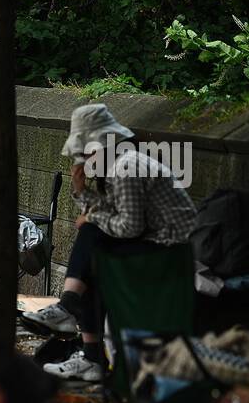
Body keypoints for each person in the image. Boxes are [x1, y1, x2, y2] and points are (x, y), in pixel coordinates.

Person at [21, 103, 198, 382]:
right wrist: (82, 193)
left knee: (92, 236)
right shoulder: (119, 164)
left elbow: (127, 226)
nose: (83, 158)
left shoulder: (126, 167)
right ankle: (88, 351)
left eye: (86, 151)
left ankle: (70, 313)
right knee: (94, 257)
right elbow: (110, 214)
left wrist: (92, 219)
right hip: (150, 242)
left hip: (168, 251)